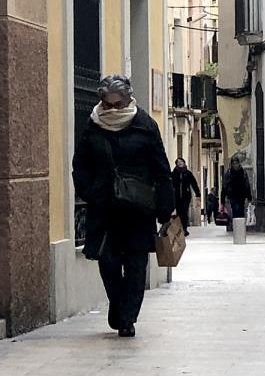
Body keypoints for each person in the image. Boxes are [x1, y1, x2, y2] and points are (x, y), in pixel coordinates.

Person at [72, 75, 174, 337]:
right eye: (107, 104)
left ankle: (127, 318)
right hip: (104, 207)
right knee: (107, 262)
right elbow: (80, 165)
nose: (112, 109)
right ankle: (118, 305)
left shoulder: (145, 125)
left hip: (138, 209)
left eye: (118, 104)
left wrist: (166, 208)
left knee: (136, 265)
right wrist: (89, 191)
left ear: (128, 99)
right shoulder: (93, 125)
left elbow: (161, 170)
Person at [221, 154, 252, 230]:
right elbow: (224, 186)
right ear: (231, 164)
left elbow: (247, 185)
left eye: (236, 163)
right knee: (235, 210)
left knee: (241, 211)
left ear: (239, 163)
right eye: (234, 163)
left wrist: (249, 197)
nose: (235, 165)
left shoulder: (243, 173)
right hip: (232, 195)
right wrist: (222, 200)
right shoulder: (228, 174)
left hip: (241, 195)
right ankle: (236, 227)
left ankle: (240, 227)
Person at [171, 158, 201, 236]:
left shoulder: (188, 173)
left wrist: (197, 193)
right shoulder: (174, 173)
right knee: (179, 212)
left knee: (184, 212)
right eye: (178, 162)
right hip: (176, 196)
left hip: (186, 196)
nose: (180, 163)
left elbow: (194, 183)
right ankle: (179, 229)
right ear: (176, 164)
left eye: (181, 162)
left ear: (184, 163)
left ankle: (184, 229)